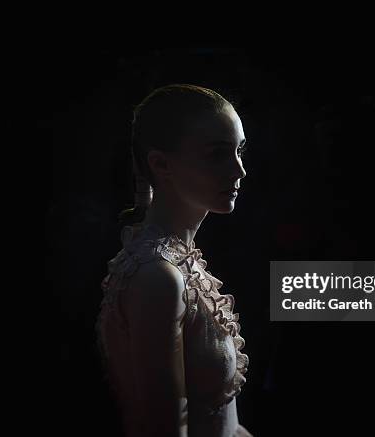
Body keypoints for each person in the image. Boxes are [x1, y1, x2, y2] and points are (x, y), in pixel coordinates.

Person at [95, 84, 253, 436]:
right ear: (161, 164)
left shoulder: (179, 261)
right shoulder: (158, 276)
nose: (239, 170)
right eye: (218, 154)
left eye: (240, 151)